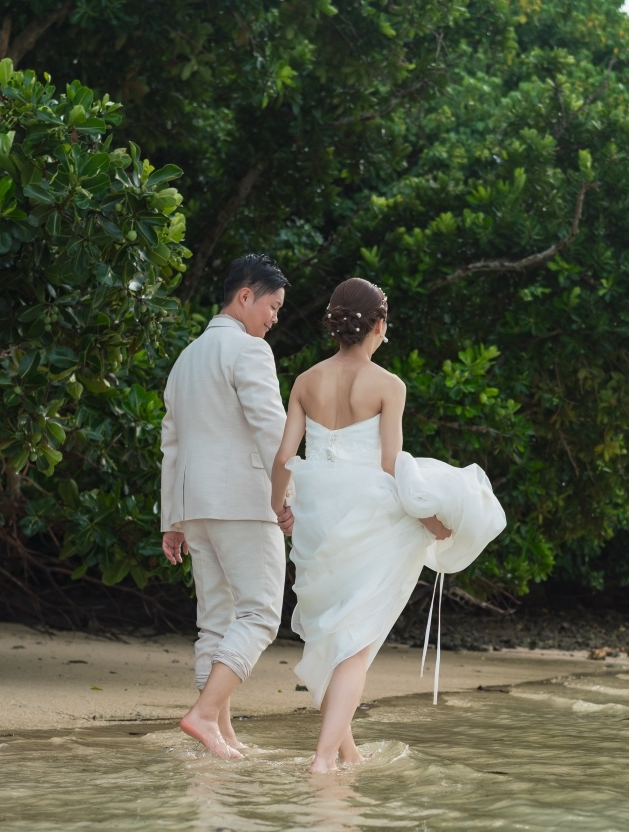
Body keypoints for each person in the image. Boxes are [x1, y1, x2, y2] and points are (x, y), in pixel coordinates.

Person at [270, 277, 505, 773]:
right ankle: (322, 760)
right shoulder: (388, 385)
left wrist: (280, 507)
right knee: (355, 645)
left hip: (318, 517)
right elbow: (390, 466)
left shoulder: (305, 381)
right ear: (377, 325)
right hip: (371, 517)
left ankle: (348, 750)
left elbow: (285, 456)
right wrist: (432, 521)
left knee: (338, 632)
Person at [161, 254, 294, 760]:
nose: (274, 319)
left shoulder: (187, 357)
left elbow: (170, 446)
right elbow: (272, 433)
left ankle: (219, 734)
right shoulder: (249, 351)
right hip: (242, 501)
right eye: (273, 307)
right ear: (246, 296)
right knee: (260, 614)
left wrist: (172, 521)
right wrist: (287, 500)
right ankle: (201, 716)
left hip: (196, 505)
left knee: (216, 622)